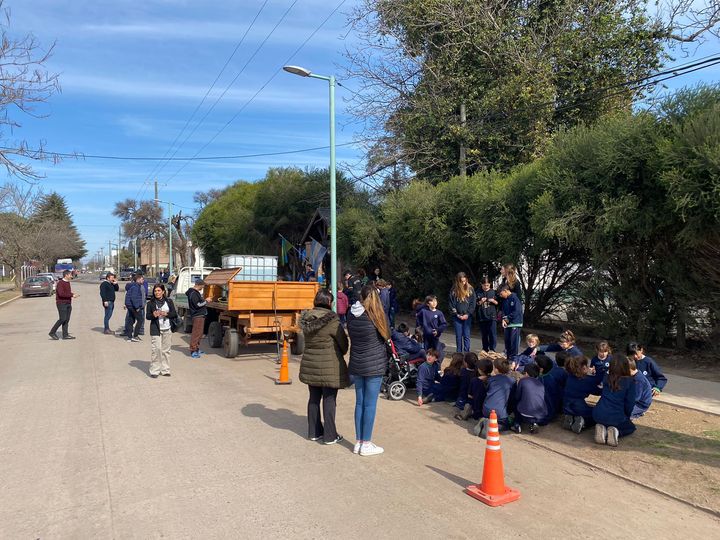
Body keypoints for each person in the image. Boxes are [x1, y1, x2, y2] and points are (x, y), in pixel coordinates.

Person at [299, 289, 350, 445]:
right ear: (329, 303)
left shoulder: (306, 318)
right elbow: (343, 344)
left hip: (310, 364)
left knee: (313, 398)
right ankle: (330, 435)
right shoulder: (332, 321)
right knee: (329, 399)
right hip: (330, 366)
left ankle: (313, 432)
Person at [347, 284, 390, 456]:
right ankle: (366, 443)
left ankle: (358, 442)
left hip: (357, 361)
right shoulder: (377, 314)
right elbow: (387, 335)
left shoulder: (351, 313)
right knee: (370, 404)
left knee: (359, 403)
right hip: (374, 364)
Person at [593, 356, 638, 446]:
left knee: (606, 420)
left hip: (598, 413)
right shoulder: (629, 381)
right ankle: (616, 432)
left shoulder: (606, 377)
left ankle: (603, 429)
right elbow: (630, 403)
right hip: (616, 417)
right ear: (626, 367)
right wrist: (627, 416)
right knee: (631, 427)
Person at [562, 355, 603, 434]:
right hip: (579, 407)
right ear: (584, 368)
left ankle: (570, 417)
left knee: (574, 408)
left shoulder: (569, 376)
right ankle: (584, 422)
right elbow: (598, 392)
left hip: (566, 406)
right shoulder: (587, 381)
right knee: (596, 415)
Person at [146, 283, 177, 378]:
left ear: (163, 292)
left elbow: (174, 314)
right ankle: (155, 370)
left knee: (166, 350)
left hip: (167, 328)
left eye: (159, 291)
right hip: (156, 329)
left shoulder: (169, 301)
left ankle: (165, 370)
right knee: (156, 350)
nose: (157, 292)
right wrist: (154, 315)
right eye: (155, 291)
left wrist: (166, 314)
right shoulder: (150, 303)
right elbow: (148, 316)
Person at [511, 363, 547, 434]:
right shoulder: (541, 384)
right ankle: (534, 424)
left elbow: (517, 397)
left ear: (526, 373)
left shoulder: (523, 381)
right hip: (541, 414)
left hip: (525, 413)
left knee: (516, 404)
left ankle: (517, 425)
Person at [535, 353, 567, 424]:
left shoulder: (539, 381)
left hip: (542, 416)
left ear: (541, 369)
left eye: (535, 365)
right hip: (553, 411)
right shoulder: (551, 377)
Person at [449, 272, 476, 353]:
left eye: (465, 281)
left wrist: (468, 314)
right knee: (458, 336)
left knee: (466, 336)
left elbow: (473, 303)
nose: (463, 283)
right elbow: (451, 304)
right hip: (457, 317)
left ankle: (466, 353)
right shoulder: (454, 290)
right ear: (458, 281)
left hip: (467, 317)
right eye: (461, 281)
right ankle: (459, 353)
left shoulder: (470, 289)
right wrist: (456, 314)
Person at [186, 279, 213, 358]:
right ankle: (193, 350)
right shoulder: (193, 293)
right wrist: (206, 301)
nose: (203, 287)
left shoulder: (194, 293)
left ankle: (196, 349)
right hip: (197, 315)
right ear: (199, 285)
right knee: (196, 333)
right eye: (203, 285)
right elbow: (197, 305)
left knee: (199, 333)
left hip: (200, 315)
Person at [49, 270, 78, 340]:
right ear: (66, 275)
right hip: (61, 303)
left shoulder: (67, 283)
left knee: (66, 320)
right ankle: (52, 332)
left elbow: (67, 292)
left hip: (68, 303)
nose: (71, 276)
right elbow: (61, 294)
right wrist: (72, 295)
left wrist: (72, 294)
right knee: (62, 319)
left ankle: (65, 335)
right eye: (70, 275)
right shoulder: (60, 283)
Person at [499, 284, 523, 358]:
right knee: (507, 342)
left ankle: (513, 359)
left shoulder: (515, 298)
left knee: (513, 343)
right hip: (507, 323)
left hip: (515, 323)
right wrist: (503, 319)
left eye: (501, 293)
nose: (500, 295)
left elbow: (517, 311)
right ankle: (508, 357)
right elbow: (503, 311)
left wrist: (507, 318)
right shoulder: (504, 300)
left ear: (505, 291)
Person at [476, 278, 498, 352]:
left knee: (492, 333)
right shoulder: (478, 292)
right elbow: (475, 304)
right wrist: (480, 302)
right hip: (482, 316)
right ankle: (485, 349)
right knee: (484, 334)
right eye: (484, 285)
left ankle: (492, 349)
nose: (486, 287)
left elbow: (498, 303)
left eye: (488, 285)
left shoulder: (493, 292)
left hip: (492, 316)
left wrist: (493, 301)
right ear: (481, 284)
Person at [124, 274, 145, 342]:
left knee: (131, 320)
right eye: (142, 279)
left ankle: (129, 337)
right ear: (138, 280)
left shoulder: (134, 286)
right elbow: (134, 298)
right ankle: (135, 336)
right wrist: (137, 307)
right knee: (140, 320)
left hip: (130, 306)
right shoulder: (135, 287)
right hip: (133, 306)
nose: (143, 281)